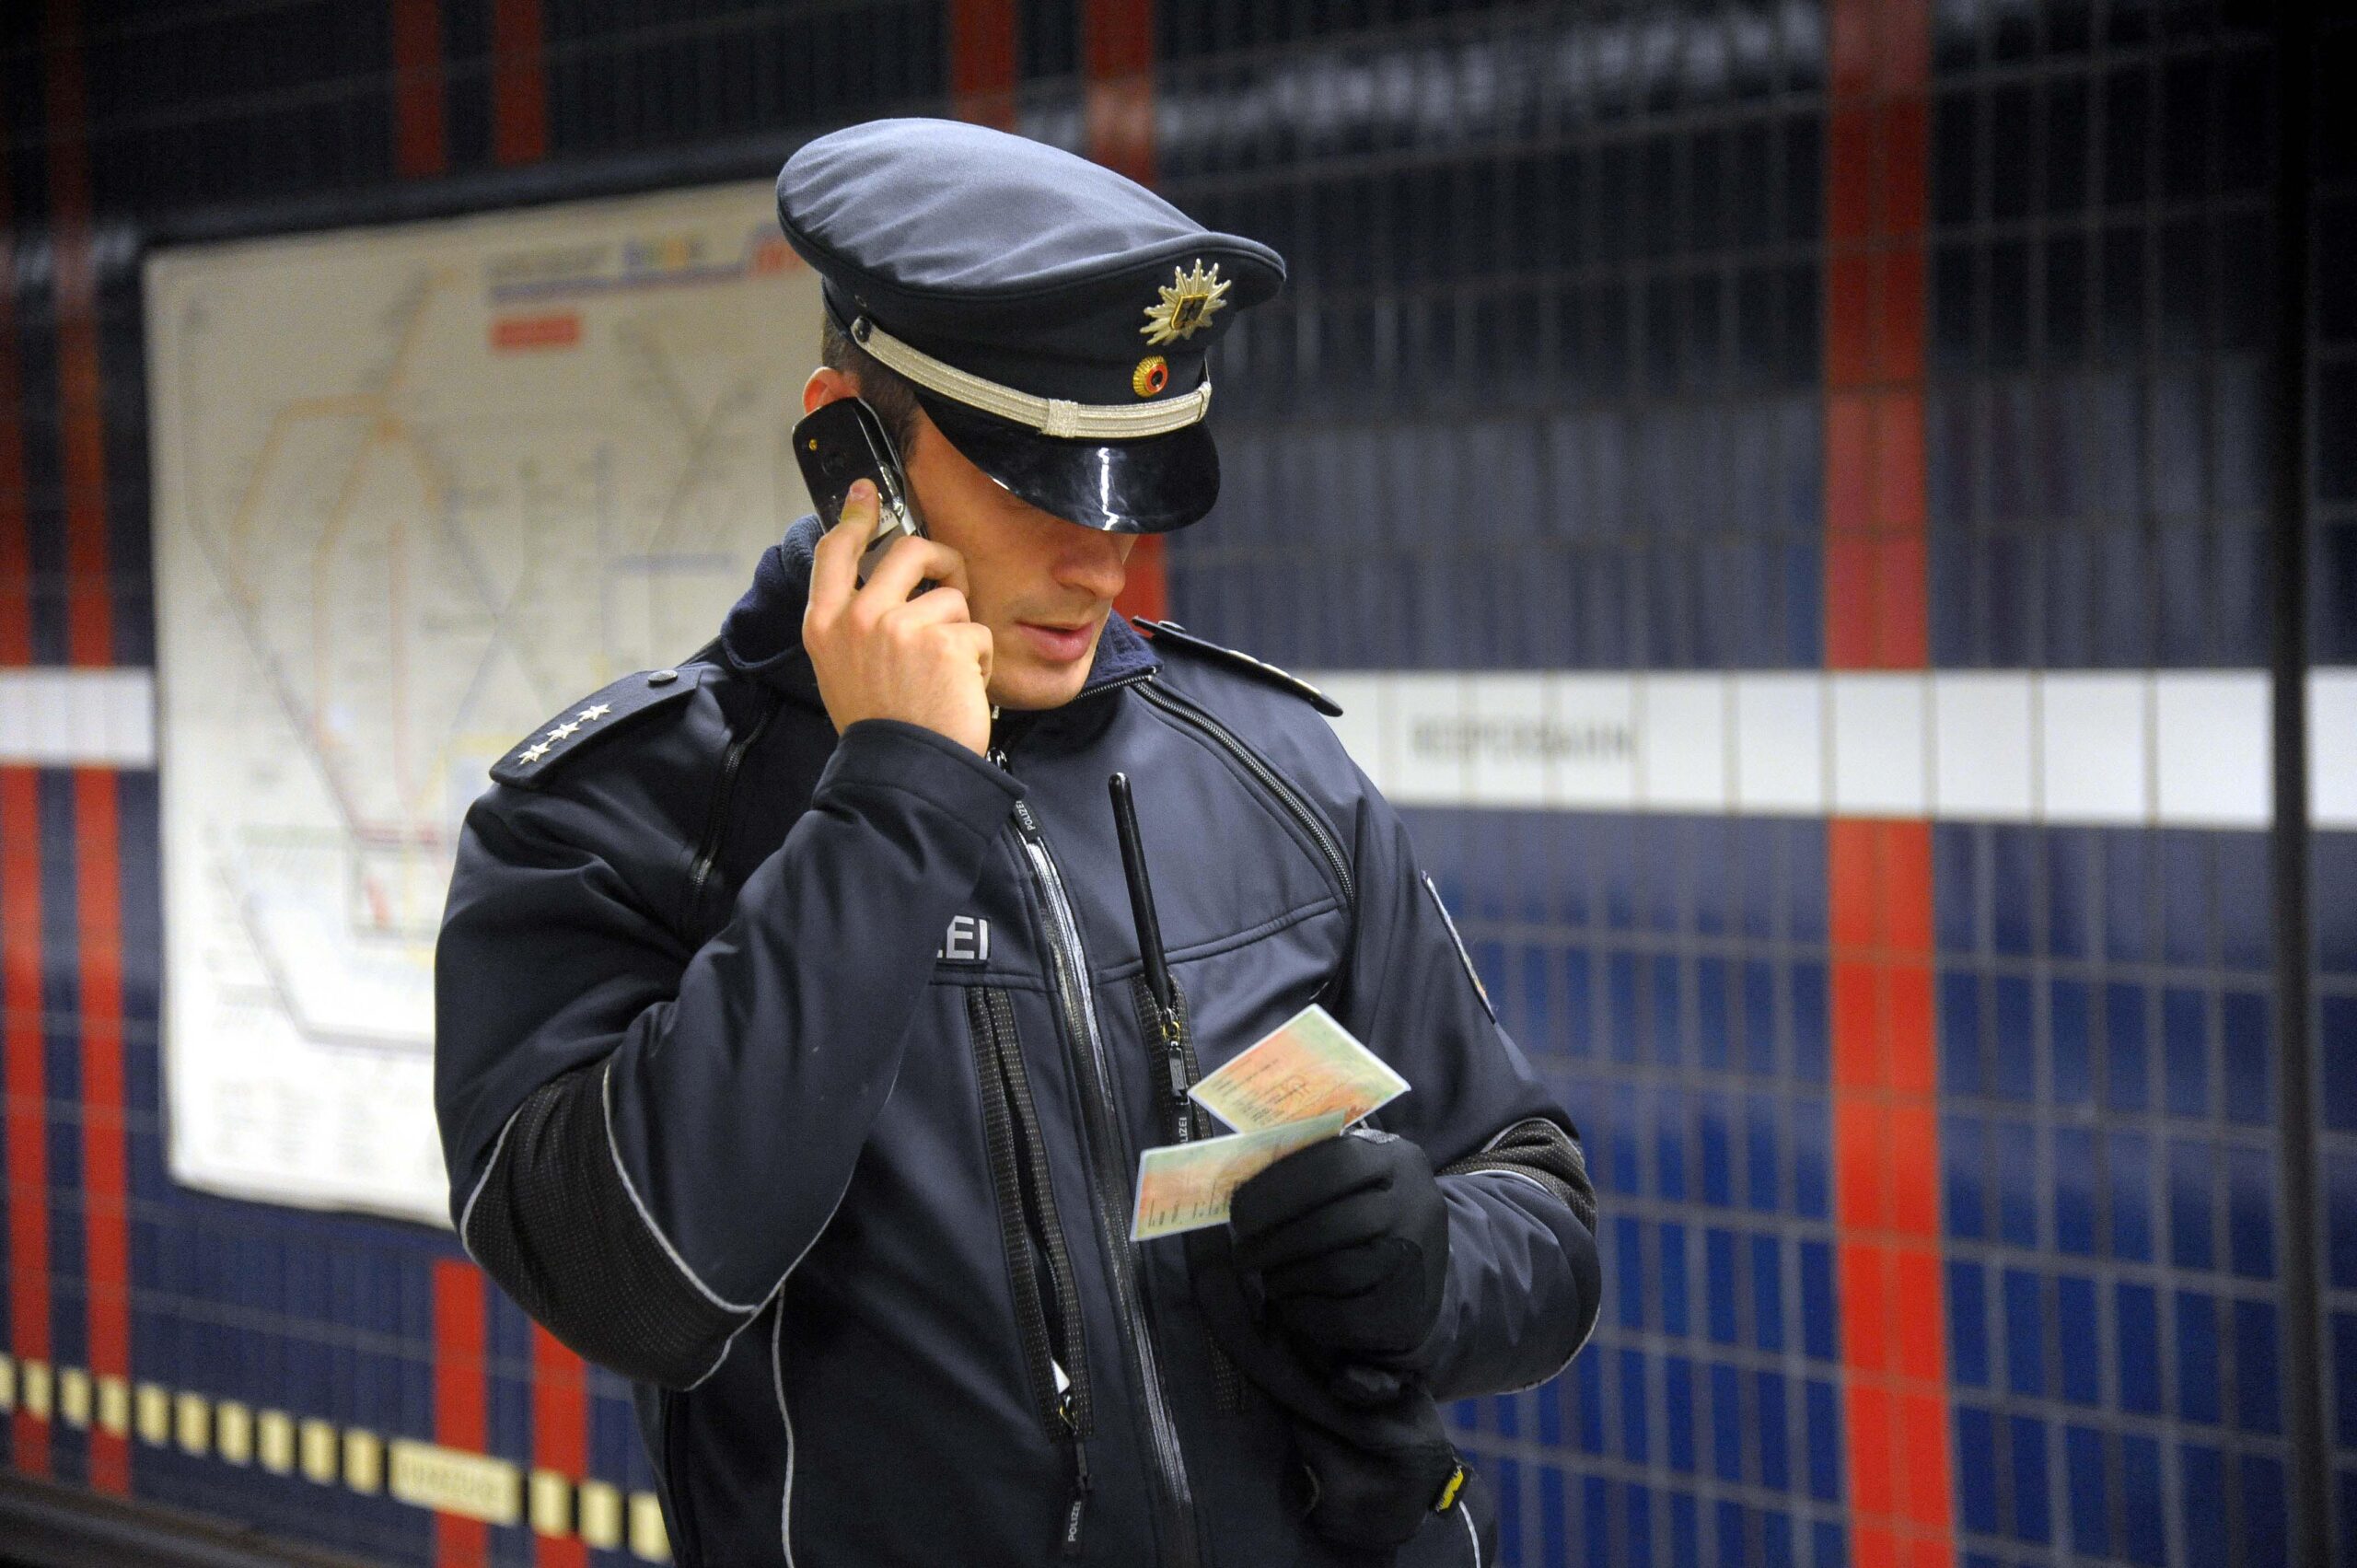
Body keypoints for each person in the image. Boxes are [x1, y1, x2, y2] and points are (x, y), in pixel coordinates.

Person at [435, 118, 1598, 1568]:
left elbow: (1541, 1204)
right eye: (1033, 479)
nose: (1098, 558)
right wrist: (896, 796)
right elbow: (634, 1281)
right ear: (849, 446)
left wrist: (1432, 1265)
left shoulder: (1276, 767)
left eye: (1133, 482)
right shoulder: (618, 819)